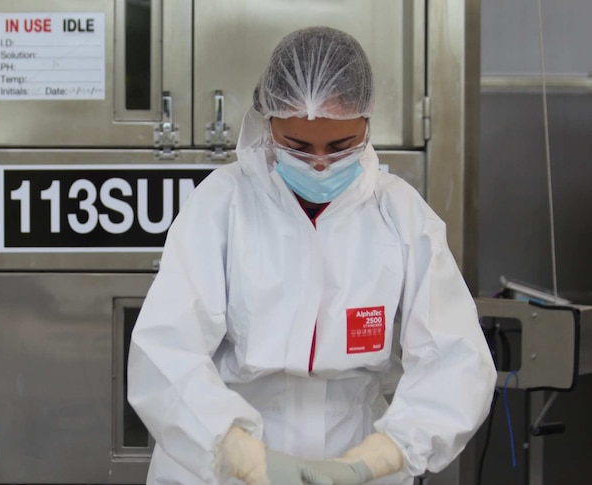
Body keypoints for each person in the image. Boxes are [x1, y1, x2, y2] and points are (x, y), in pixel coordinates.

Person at [126, 26, 497, 485]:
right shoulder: (221, 205)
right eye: (298, 147)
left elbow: (456, 357)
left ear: (366, 124)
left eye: (340, 147)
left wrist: (387, 452)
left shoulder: (399, 215)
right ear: (268, 123)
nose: (320, 164)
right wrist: (235, 452)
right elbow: (165, 349)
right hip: (222, 467)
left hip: (355, 459)